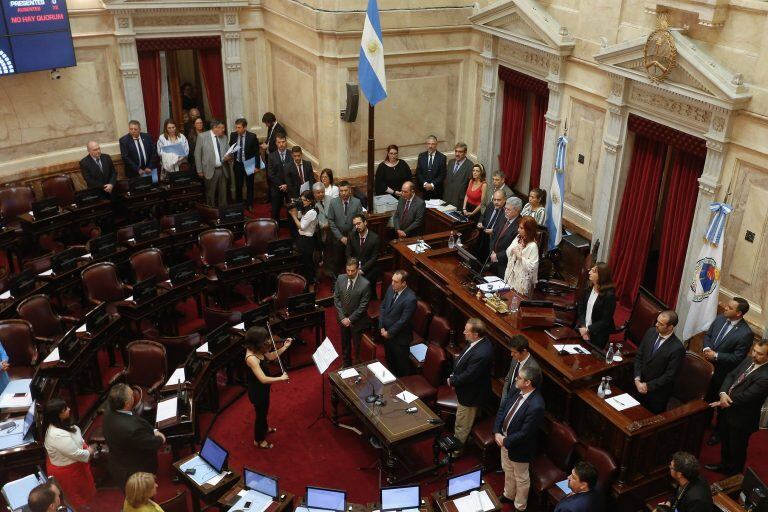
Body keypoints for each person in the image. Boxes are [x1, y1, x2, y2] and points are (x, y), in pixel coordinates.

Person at [706, 340, 768, 476]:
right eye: (754, 351)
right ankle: (723, 465)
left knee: (737, 449)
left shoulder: (765, 376)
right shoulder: (748, 360)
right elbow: (731, 375)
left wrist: (724, 401)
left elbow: (747, 396)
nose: (754, 355)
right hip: (727, 410)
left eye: (760, 354)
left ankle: (733, 477)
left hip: (742, 419)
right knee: (725, 442)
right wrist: (722, 393)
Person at [493, 364, 545, 512]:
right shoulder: (516, 389)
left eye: (520, 378)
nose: (516, 379)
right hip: (503, 438)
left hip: (519, 447)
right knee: (507, 469)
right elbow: (502, 409)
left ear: (528, 382)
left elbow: (525, 433)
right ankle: (508, 494)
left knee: (521, 478)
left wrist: (505, 440)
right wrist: (497, 431)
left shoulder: (537, 405)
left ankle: (520, 506)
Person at [702, 297, 754, 446]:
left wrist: (716, 355)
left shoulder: (745, 334)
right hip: (708, 368)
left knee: (721, 407)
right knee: (707, 399)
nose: (725, 308)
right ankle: (704, 423)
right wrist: (707, 349)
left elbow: (738, 358)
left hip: (724, 375)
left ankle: (718, 433)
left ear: (738, 313)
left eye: (730, 307)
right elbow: (708, 335)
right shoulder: (720, 318)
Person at [102, 383, 165, 489]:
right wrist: (160, 437)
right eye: (132, 395)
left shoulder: (110, 409)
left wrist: (153, 429)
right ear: (127, 403)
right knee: (143, 499)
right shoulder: (132, 430)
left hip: (119, 462)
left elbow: (133, 418)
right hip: (136, 473)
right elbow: (153, 443)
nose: (135, 395)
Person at [447, 318, 494, 454]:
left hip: (471, 395)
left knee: (462, 425)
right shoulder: (477, 342)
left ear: (476, 334)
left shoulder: (483, 353)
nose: (463, 333)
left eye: (466, 331)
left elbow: (470, 375)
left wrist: (453, 380)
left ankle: (455, 453)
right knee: (464, 422)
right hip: (467, 388)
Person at [244, 326, 291, 449]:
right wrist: (280, 378)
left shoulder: (259, 349)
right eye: (265, 339)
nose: (268, 341)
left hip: (263, 390)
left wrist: (284, 347)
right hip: (257, 392)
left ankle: (265, 428)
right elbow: (263, 379)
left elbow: (270, 356)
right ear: (257, 342)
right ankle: (258, 440)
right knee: (260, 415)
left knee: (264, 412)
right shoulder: (251, 358)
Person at [43, 398, 96, 508]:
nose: (69, 409)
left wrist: (84, 445)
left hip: (74, 463)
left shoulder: (63, 423)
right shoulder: (56, 435)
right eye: (65, 409)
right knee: (74, 495)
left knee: (83, 490)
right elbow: (75, 453)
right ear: (58, 415)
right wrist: (89, 452)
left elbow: (77, 436)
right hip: (67, 471)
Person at [633, 310, 685, 414]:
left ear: (670, 327)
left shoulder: (677, 348)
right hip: (638, 385)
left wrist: (647, 386)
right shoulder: (651, 332)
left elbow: (669, 375)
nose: (656, 325)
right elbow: (639, 355)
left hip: (656, 395)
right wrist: (637, 378)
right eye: (657, 321)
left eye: (660, 324)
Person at [379, 270, 417, 377]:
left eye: (396, 282)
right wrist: (381, 326)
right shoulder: (391, 289)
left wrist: (389, 332)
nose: (392, 283)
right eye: (392, 280)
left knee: (401, 367)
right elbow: (383, 307)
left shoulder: (410, 299)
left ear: (404, 283)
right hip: (387, 335)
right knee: (389, 361)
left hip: (400, 339)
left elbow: (403, 321)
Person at [334, 258, 371, 367]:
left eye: (353, 271)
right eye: (348, 270)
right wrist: (342, 318)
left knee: (357, 346)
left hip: (357, 322)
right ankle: (346, 363)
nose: (350, 273)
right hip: (343, 320)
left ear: (357, 269)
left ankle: (358, 366)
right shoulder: (340, 278)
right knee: (345, 344)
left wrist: (350, 319)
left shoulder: (365, 284)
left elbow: (363, 306)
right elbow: (336, 298)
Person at [576, 262, 617, 350]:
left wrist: (588, 330)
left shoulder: (609, 296)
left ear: (601, 276)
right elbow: (581, 308)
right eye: (591, 270)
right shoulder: (589, 288)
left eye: (593, 271)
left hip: (597, 334)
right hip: (582, 328)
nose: (590, 272)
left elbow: (605, 321)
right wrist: (583, 326)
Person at [327, 181, 363, 275]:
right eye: (341, 191)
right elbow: (330, 221)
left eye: (345, 190)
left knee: (352, 262)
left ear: (350, 190)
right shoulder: (333, 202)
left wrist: (350, 237)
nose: (343, 193)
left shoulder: (357, 202)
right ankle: (336, 282)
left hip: (353, 238)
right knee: (337, 262)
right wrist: (341, 237)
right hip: (338, 238)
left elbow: (359, 221)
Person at [194, 119, 232, 207]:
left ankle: (223, 212)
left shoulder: (224, 137)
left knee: (223, 193)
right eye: (221, 128)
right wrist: (199, 170)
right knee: (210, 193)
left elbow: (229, 152)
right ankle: (211, 212)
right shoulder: (202, 137)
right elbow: (197, 154)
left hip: (222, 169)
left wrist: (229, 156)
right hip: (209, 170)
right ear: (215, 128)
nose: (223, 130)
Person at [229, 117, 261, 210]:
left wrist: (257, 166)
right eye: (236, 127)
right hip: (238, 164)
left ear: (245, 127)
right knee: (238, 185)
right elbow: (231, 146)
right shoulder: (233, 135)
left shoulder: (252, 136)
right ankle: (239, 204)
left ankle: (249, 204)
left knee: (249, 185)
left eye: (239, 127)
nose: (237, 129)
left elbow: (256, 152)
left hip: (249, 164)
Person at [503, 216, 540, 296]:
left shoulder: (533, 246)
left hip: (522, 281)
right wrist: (514, 250)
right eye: (519, 227)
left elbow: (533, 267)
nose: (518, 230)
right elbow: (508, 251)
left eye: (521, 228)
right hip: (511, 274)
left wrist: (520, 257)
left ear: (529, 230)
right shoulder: (518, 238)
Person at [288, 190, 318, 288]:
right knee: (303, 263)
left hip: (307, 241)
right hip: (302, 239)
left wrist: (293, 216)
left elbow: (302, 226)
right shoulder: (306, 209)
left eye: (304, 200)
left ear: (309, 201)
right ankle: (303, 284)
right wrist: (295, 209)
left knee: (308, 264)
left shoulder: (312, 212)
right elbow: (300, 216)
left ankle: (311, 285)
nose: (302, 202)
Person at [346, 214, 380, 298]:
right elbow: (348, 253)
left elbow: (374, 257)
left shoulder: (375, 238)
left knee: (369, 291)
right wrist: (354, 268)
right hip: (355, 268)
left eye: (359, 223)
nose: (357, 226)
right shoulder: (351, 235)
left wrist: (362, 270)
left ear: (365, 222)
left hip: (369, 269)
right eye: (355, 225)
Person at [501, 335, 540, 405]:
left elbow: (530, 392)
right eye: (511, 351)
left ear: (524, 351)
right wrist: (504, 398)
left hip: (517, 403)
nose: (511, 355)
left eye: (515, 352)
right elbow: (509, 377)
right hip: (506, 397)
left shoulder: (533, 368)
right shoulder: (515, 358)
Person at [489, 196, 522, 277]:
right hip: (493, 258)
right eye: (505, 208)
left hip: (505, 264)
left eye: (508, 209)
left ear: (517, 210)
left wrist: (498, 256)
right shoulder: (504, 218)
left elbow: (514, 248)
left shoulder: (520, 226)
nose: (506, 211)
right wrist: (492, 250)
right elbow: (494, 235)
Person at [475, 190, 505, 262]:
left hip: (494, 240)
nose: (496, 202)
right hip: (483, 235)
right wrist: (480, 222)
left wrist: (494, 231)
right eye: (494, 199)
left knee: (488, 260)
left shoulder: (506, 211)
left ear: (504, 200)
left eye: (499, 200)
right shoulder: (490, 205)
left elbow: (503, 228)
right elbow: (483, 216)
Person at [415, 135, 447, 200]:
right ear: (426, 144)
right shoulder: (421, 156)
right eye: (429, 144)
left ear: (436, 145)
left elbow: (442, 174)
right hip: (423, 191)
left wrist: (432, 185)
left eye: (433, 144)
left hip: (436, 191)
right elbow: (418, 172)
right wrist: (425, 183)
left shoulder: (442, 157)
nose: (430, 146)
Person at [443, 142, 474, 209]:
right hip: (446, 199)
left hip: (459, 201)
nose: (457, 154)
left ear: (465, 153)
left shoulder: (470, 166)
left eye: (460, 152)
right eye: (456, 151)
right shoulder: (451, 162)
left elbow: (470, 186)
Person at [267, 131, 290, 221]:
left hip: (289, 187)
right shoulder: (271, 156)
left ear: (286, 142)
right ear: (276, 143)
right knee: (275, 211)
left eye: (283, 142)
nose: (281, 144)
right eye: (279, 142)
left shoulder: (291, 154)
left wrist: (287, 185)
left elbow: (294, 172)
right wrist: (282, 185)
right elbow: (270, 174)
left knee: (291, 210)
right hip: (276, 187)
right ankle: (275, 229)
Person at [313, 183, 333, 280]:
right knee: (318, 253)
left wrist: (330, 224)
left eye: (322, 192)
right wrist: (322, 225)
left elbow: (335, 213)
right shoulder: (311, 202)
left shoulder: (331, 199)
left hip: (331, 229)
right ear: (314, 194)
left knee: (330, 252)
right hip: (318, 232)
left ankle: (330, 272)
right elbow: (311, 218)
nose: (321, 194)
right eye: (318, 193)